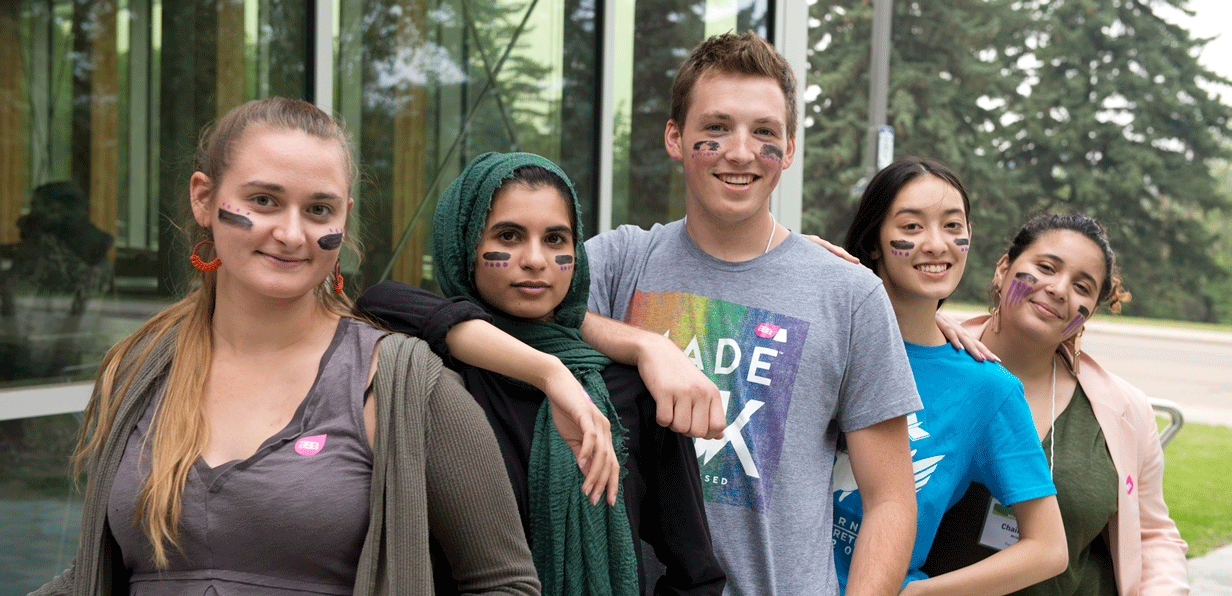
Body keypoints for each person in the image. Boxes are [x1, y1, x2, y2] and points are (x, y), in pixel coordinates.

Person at [33, 98, 540, 595]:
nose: (292, 234)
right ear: (204, 199)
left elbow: (504, 583)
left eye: (319, 209)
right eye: (264, 201)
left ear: (345, 218)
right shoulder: (137, 370)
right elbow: (92, 576)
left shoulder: (401, 383)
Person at [582, 32, 922, 595]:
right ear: (675, 137)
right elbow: (524, 311)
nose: (740, 152)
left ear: (789, 149)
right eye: (715, 129)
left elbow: (889, 500)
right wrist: (646, 346)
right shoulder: (621, 261)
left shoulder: (849, 293)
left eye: (764, 132)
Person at [357, 152, 725, 595]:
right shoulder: (433, 371)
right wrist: (550, 372)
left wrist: (646, 343)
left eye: (556, 240)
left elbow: (697, 574)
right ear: (464, 244)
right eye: (508, 236)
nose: (535, 259)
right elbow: (379, 299)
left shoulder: (629, 390)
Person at [833, 157, 1066, 595]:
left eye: (953, 226)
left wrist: (924, 592)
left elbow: (1049, 548)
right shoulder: (824, 337)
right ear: (875, 240)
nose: (937, 244)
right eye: (912, 226)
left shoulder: (987, 388)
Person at [923, 213, 1189, 596]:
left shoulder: (1125, 411)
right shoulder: (926, 364)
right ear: (1003, 268)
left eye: (1083, 286)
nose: (1060, 289)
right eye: (1045, 267)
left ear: (1090, 311)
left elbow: (1153, 536)